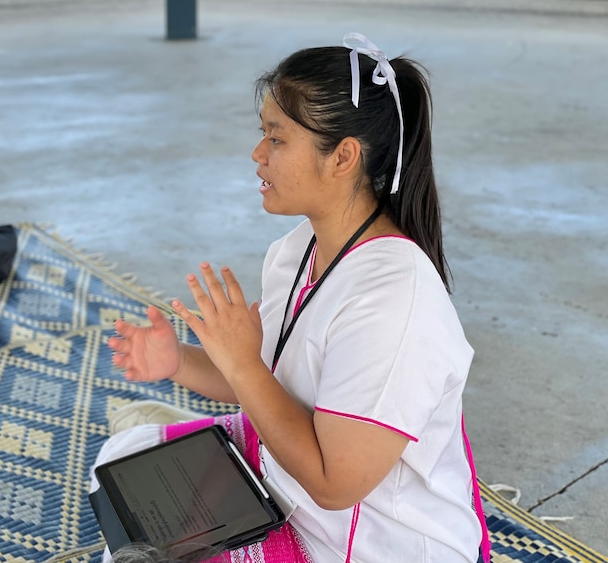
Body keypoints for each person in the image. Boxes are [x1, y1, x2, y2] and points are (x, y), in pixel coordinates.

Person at [96, 33, 490, 563]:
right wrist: (179, 362)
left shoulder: (396, 303)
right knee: (124, 459)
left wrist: (241, 364)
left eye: (277, 139)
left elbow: (334, 484)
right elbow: (267, 381)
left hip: (367, 541)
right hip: (289, 487)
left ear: (343, 156)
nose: (257, 154)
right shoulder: (298, 249)